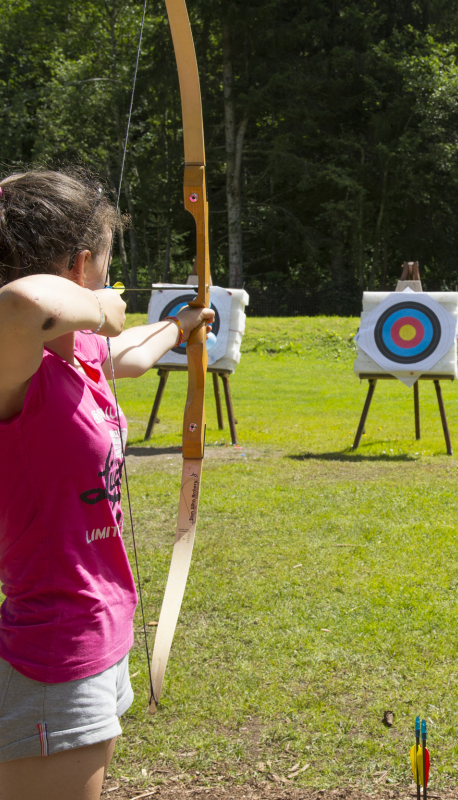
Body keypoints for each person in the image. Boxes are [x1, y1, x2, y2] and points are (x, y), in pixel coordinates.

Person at [0, 169, 214, 800]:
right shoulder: (17, 368)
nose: (110, 286)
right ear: (81, 264)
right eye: (105, 271)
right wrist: (102, 309)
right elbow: (23, 305)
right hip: (53, 650)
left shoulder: (78, 353)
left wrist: (185, 323)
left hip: (95, 626)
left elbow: (134, 355)